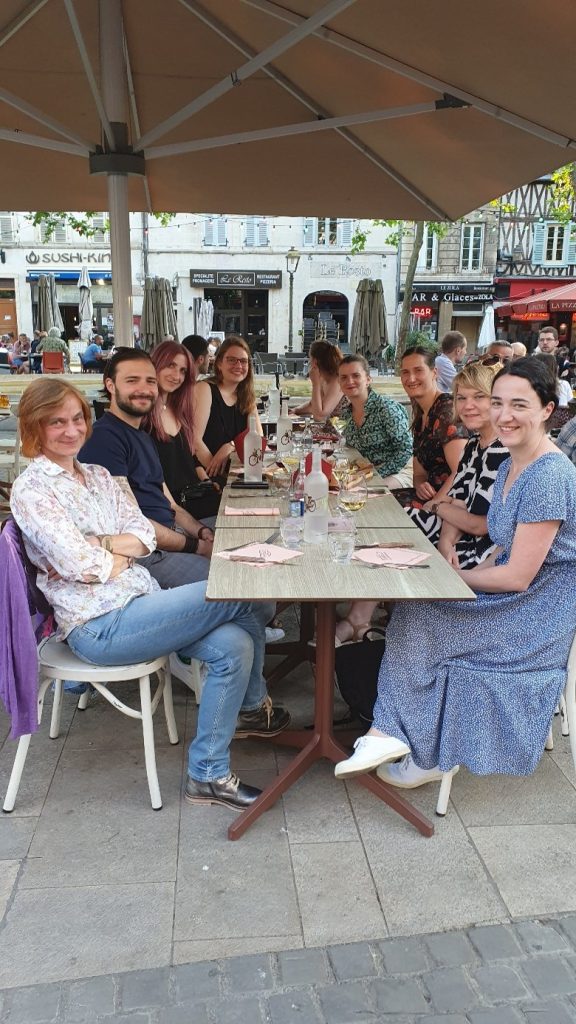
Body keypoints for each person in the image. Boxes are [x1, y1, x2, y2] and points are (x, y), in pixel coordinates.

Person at [10, 378, 290, 811]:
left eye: (76, 419)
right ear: (34, 428)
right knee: (242, 586)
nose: (70, 430)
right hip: (98, 625)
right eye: (55, 423)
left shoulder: (99, 476)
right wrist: (107, 551)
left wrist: (100, 543)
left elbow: (143, 534)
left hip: (141, 601)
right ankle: (255, 707)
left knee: (233, 643)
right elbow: (81, 566)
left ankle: (208, 775)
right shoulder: (33, 489)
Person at [334, 358, 576, 791]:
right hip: (515, 594)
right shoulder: (512, 463)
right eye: (498, 402)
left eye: (519, 404)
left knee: (422, 612)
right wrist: (453, 565)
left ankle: (414, 745)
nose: (504, 414)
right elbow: (497, 541)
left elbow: (518, 576)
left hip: (536, 615)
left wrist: (450, 579)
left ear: (547, 409)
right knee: (415, 607)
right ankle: (395, 732)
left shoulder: (549, 475)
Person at [79, 347, 214, 588]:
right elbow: (136, 524)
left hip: (170, 537)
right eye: (132, 381)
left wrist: (202, 531)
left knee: (246, 555)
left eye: (150, 381)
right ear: (110, 385)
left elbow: (171, 505)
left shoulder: (141, 435)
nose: (144, 388)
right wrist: (196, 546)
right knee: (230, 581)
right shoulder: (105, 439)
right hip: (145, 554)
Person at [416, 359, 509, 565]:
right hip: (461, 540)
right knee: (396, 529)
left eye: (479, 396)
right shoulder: (473, 444)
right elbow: (459, 503)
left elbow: (480, 526)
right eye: (461, 398)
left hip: (486, 554)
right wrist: (446, 544)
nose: (468, 406)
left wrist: (437, 507)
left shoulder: (506, 450)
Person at [143, 340, 222, 525]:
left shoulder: (179, 410)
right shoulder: (143, 417)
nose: (176, 376)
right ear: (156, 364)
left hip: (196, 497)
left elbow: (190, 458)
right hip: (176, 511)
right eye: (171, 366)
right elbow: (151, 478)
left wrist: (207, 482)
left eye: (183, 370)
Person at [399, 346, 468, 511]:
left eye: (418, 370)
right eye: (405, 372)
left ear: (434, 372)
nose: (411, 378)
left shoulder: (446, 409)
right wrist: (421, 486)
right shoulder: (421, 416)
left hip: (449, 506)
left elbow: (461, 471)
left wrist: (433, 506)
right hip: (429, 499)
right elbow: (419, 475)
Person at [338, 354, 412, 487]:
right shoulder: (345, 415)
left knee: (363, 491)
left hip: (401, 470)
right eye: (344, 377)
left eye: (356, 375)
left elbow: (406, 450)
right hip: (367, 470)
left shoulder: (386, 408)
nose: (349, 381)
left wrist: (375, 475)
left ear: (368, 379)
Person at [194, 335, 261, 478]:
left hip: (237, 474)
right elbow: (195, 440)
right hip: (208, 476)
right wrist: (218, 474)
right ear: (219, 363)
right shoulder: (205, 389)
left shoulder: (246, 395)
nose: (238, 366)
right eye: (231, 360)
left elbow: (259, 438)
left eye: (243, 361)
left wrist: (231, 445)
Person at [293, 341, 348, 421]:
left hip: (343, 429)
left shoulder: (337, 381)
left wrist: (316, 384)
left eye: (310, 358)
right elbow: (313, 405)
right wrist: (295, 410)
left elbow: (319, 416)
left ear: (315, 361)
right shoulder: (323, 379)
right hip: (331, 427)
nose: (309, 362)